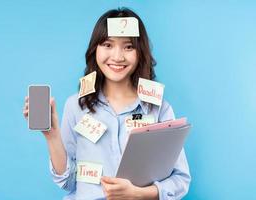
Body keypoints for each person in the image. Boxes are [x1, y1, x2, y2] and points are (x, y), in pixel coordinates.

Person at [23, 8, 190, 200]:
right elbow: (68, 182)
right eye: (108, 44)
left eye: (128, 47)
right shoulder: (75, 106)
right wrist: (52, 136)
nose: (118, 57)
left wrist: (139, 194)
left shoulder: (158, 108)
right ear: (95, 49)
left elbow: (181, 179)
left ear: (140, 52)